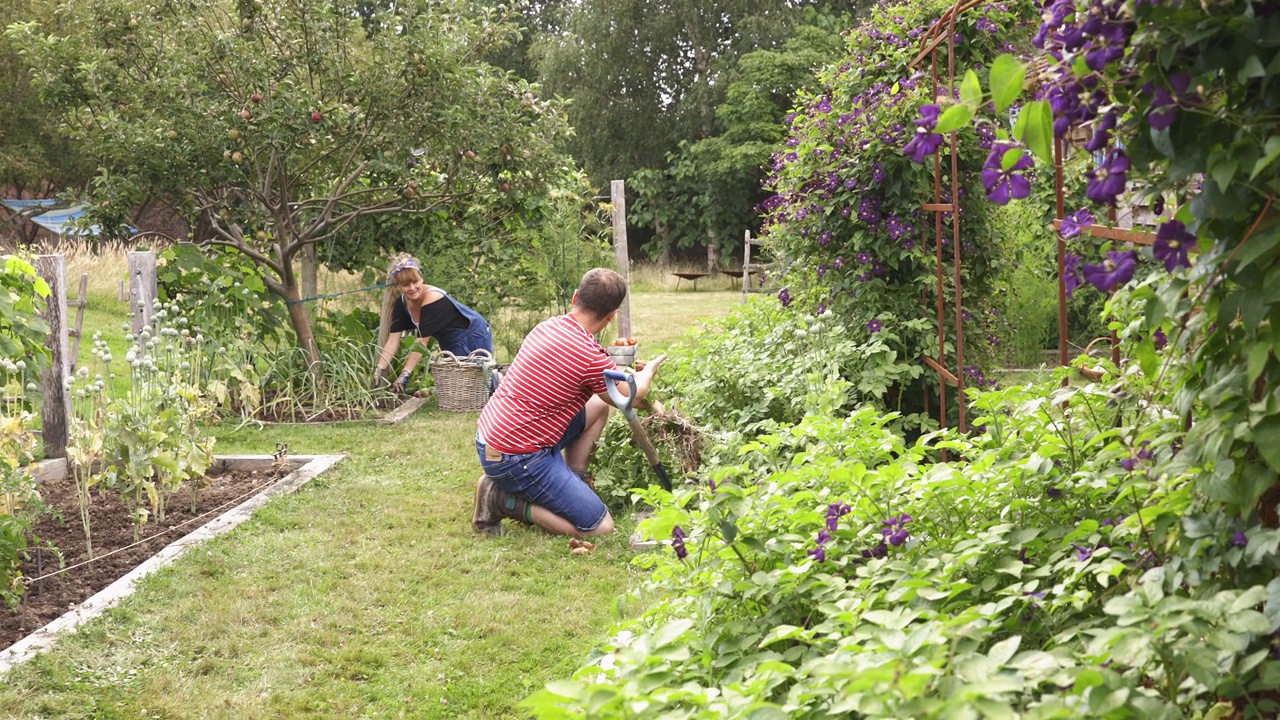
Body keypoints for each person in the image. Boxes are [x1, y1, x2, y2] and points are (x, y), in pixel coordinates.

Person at [473, 268, 666, 537]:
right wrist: (648, 373)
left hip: (491, 438)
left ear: (576, 297)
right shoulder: (589, 356)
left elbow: (610, 395)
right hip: (517, 457)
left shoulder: (548, 326)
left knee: (598, 406)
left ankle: (575, 481)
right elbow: (632, 396)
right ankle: (502, 499)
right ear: (611, 317)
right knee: (599, 528)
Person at [374, 254, 494, 393]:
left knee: (478, 385)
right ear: (399, 286)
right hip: (448, 340)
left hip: (472, 334)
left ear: (422, 279)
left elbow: (422, 342)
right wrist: (379, 368)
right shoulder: (402, 304)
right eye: (406, 285)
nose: (412, 288)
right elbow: (393, 341)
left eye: (415, 281)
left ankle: (501, 379)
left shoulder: (432, 298)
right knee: (458, 390)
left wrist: (405, 374)